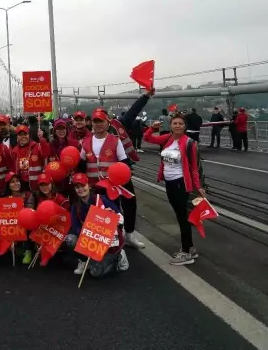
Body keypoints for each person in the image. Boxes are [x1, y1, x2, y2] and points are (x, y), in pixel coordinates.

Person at [143, 113, 205, 265]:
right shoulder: (167, 139)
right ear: (170, 126)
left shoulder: (190, 143)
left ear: (185, 127)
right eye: (174, 123)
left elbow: (194, 168)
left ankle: (186, 253)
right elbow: (147, 138)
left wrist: (198, 187)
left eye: (180, 124)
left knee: (183, 218)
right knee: (180, 216)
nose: (177, 126)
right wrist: (152, 128)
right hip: (169, 183)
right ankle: (189, 248)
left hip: (181, 184)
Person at [79, 109, 144, 249]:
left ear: (107, 123)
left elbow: (124, 163)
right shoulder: (85, 142)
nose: (98, 125)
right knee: (97, 217)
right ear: (91, 124)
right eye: (95, 122)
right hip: (94, 186)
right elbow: (81, 164)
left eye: (101, 121)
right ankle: (99, 247)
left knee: (124, 208)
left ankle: (128, 236)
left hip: (112, 186)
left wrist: (123, 181)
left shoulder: (115, 141)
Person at [65, 173, 128, 277]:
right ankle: (84, 260)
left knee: (95, 273)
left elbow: (121, 219)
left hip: (109, 242)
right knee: (70, 239)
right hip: (91, 240)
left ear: (89, 185)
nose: (80, 189)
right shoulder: (75, 206)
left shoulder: (102, 200)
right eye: (77, 187)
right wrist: (87, 234)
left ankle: (120, 256)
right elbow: (75, 226)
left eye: (83, 185)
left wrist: (111, 215)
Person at [11, 125, 46, 191]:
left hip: (37, 185)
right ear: (17, 137)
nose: (23, 136)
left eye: (25, 134)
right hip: (21, 186)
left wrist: (41, 139)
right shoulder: (14, 151)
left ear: (29, 135)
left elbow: (46, 153)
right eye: (20, 135)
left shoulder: (37, 146)